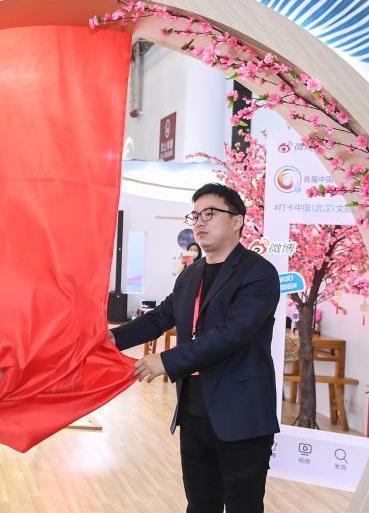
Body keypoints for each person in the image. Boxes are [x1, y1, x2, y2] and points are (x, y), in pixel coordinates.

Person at [110, 183, 280, 513]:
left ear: (237, 221)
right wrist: (112, 339)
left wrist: (167, 360)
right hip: (194, 410)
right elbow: (161, 317)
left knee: (244, 506)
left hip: (241, 414)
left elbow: (233, 333)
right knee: (200, 505)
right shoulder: (191, 275)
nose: (199, 222)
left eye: (210, 214)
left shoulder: (259, 273)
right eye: (195, 215)